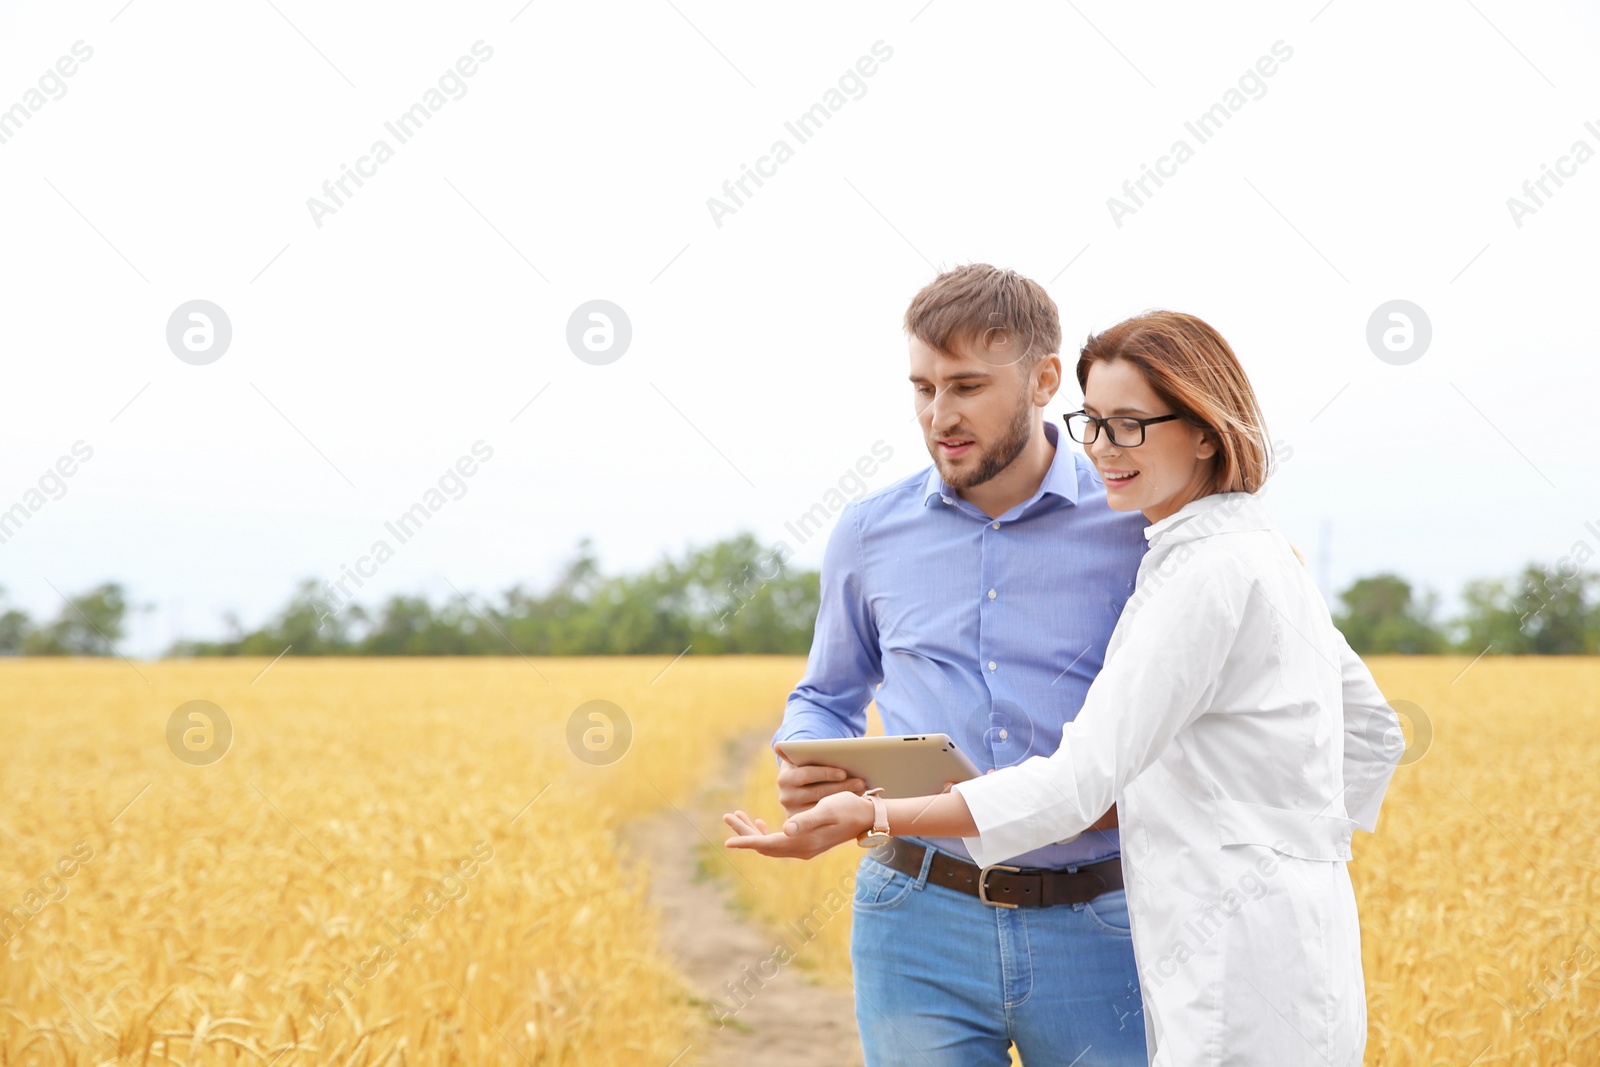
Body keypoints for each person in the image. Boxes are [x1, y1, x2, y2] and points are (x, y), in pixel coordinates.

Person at [727, 308, 1403, 1066]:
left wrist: (869, 810)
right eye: (1098, 424)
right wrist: (1289, 853)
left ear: (1207, 429)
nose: (1107, 450)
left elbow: (1076, 785)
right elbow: (1378, 735)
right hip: (933, 911)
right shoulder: (1246, 550)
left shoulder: (1182, 559)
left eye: (1130, 425)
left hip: (1130, 926)